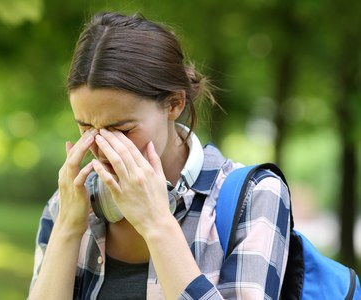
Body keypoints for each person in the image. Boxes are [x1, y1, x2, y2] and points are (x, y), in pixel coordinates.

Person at [28, 12, 290, 300]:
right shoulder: (68, 204)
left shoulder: (256, 196)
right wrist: (67, 228)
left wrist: (156, 224)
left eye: (122, 129)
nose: (102, 147)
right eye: (86, 128)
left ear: (174, 104)